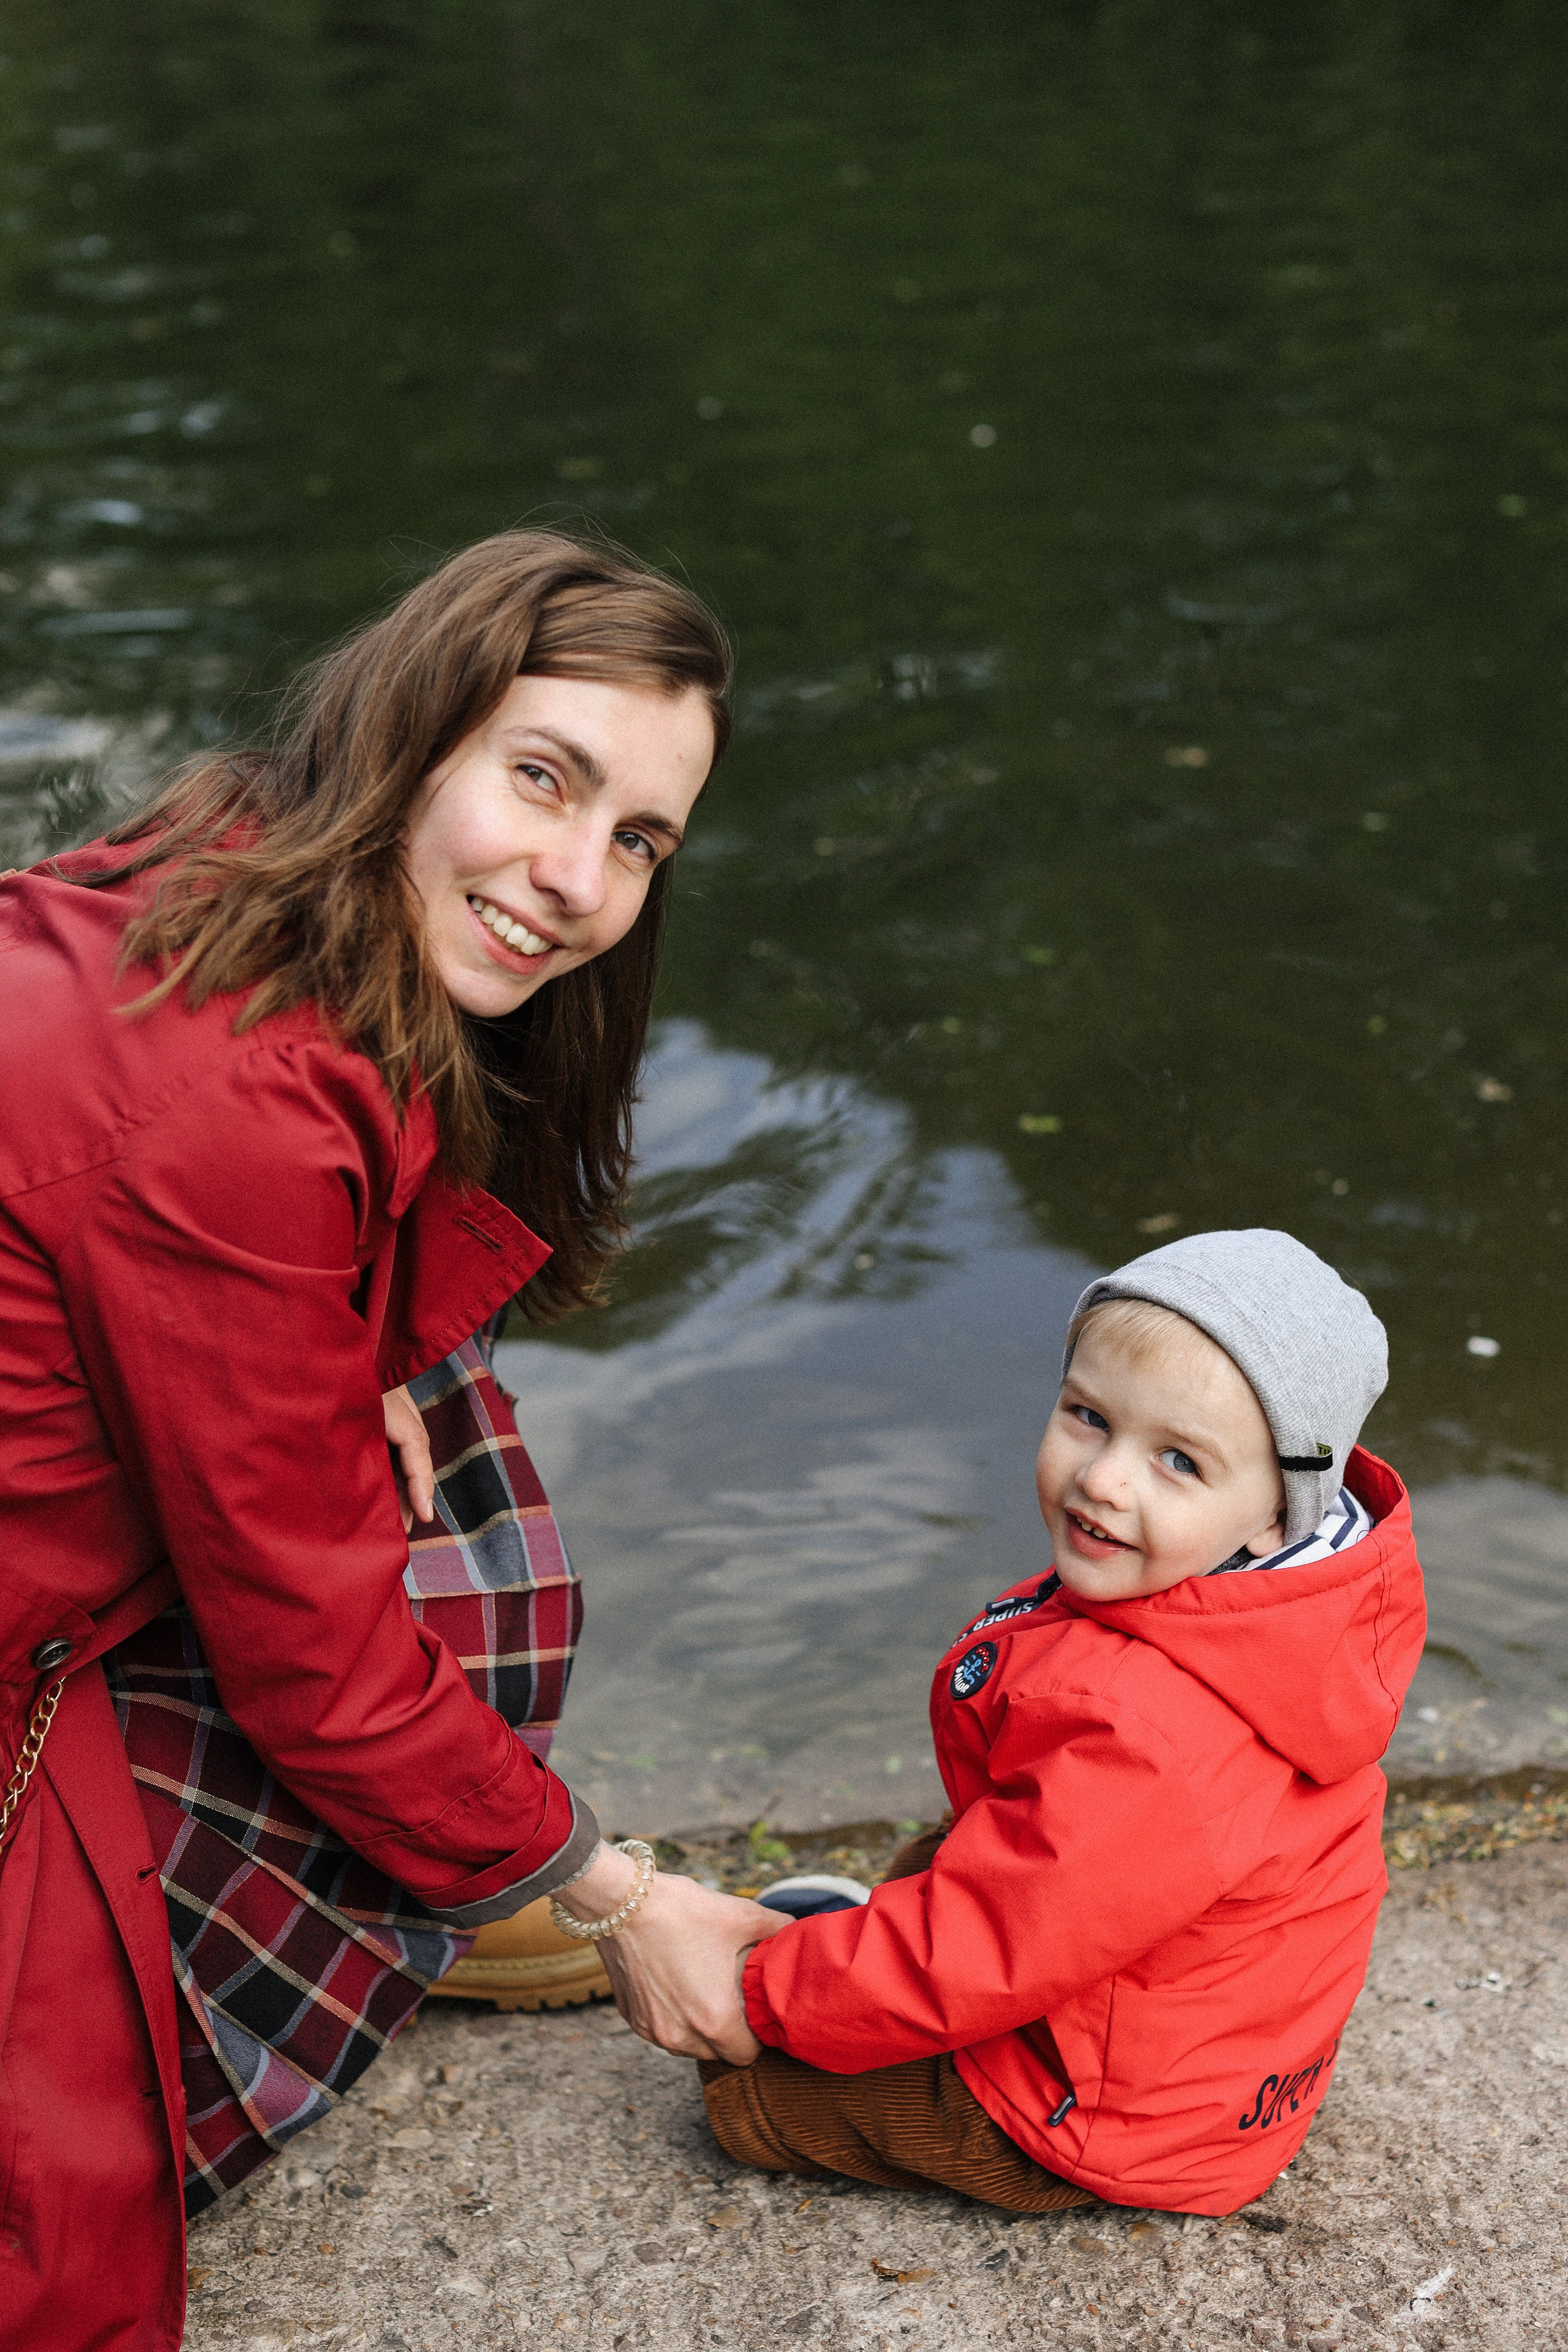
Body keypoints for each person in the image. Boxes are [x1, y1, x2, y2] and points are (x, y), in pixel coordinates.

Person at [0, 530, 780, 2348]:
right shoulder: (240, 1112)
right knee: (61, 2230)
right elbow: (324, 1674)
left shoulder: (217, 857)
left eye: (642, 839)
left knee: (445, 1454)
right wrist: (623, 1895)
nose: (580, 883)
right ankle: (444, 1901)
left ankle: (447, 1884)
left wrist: (341, 1369)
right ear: (419, 729)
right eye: (544, 778)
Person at [668, 1230, 1427, 2217]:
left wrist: (764, 1994)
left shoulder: (1152, 1734)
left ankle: (847, 2002)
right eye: (1088, 1416)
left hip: (1100, 2123)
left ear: (1274, 1515)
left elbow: (994, 1936)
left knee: (741, 2091)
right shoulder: (1278, 1622)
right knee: (977, 1867)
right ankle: (862, 1959)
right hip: (1210, 2055)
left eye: (1179, 1462)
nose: (1106, 1480)